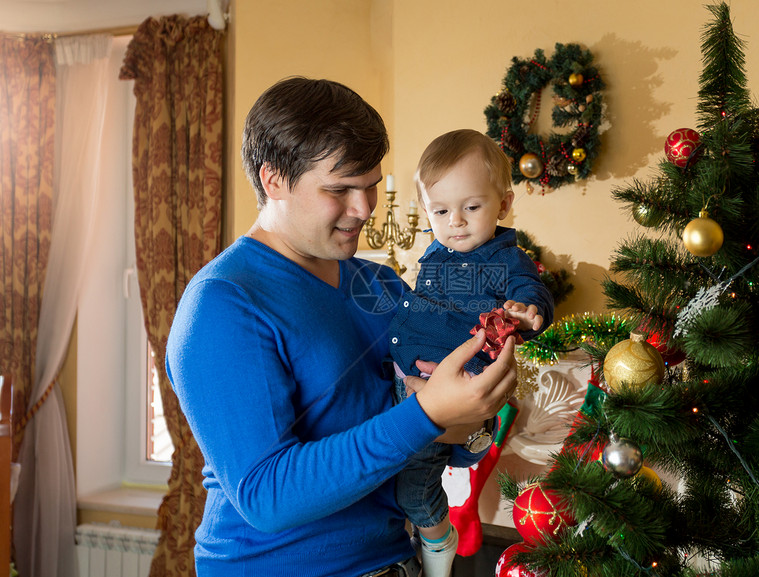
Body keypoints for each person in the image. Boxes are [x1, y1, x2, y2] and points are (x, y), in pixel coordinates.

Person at [165, 78, 518, 577]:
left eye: (371, 184)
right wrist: (429, 413)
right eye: (339, 189)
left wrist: (474, 417)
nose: (364, 208)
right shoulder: (223, 304)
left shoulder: (383, 285)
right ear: (274, 181)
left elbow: (438, 445)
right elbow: (267, 497)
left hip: (395, 560)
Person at [389, 129, 554, 577]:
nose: (456, 221)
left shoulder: (506, 259)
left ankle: (438, 538)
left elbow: (530, 289)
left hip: (454, 387)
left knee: (415, 484)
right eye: (441, 210)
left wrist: (527, 310)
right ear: (427, 211)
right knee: (389, 469)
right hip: (405, 374)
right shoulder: (437, 253)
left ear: (503, 204)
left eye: (472, 207)